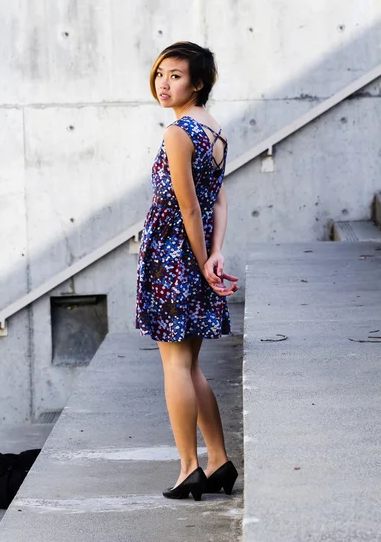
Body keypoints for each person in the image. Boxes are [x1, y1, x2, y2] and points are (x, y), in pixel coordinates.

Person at [136, 41, 239, 501]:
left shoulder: (178, 134)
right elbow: (219, 199)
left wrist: (200, 262)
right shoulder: (213, 131)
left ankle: (188, 467)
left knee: (175, 363)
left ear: (198, 83)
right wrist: (215, 255)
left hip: (173, 253)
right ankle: (217, 460)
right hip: (194, 253)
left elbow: (192, 205)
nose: (164, 82)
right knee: (191, 364)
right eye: (161, 73)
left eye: (175, 75)